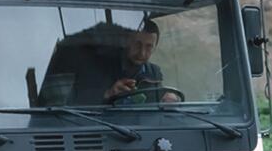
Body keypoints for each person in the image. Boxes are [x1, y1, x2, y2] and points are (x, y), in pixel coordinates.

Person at [38, 18, 178, 106]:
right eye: (137, 45)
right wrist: (107, 94)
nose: (142, 53)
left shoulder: (154, 73)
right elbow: (69, 104)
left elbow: (156, 105)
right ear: (127, 43)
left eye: (149, 47)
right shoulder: (99, 67)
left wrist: (167, 100)